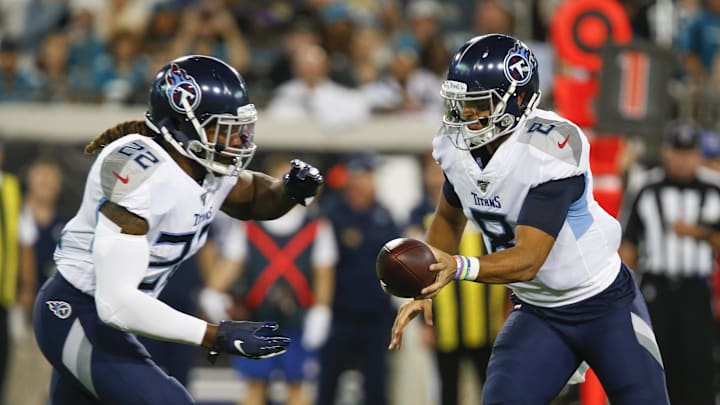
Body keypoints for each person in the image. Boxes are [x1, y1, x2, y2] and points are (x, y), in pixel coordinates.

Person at [387, 34, 670, 404]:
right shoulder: (456, 148)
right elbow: (449, 216)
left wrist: (455, 266)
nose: (464, 115)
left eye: (476, 104)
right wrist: (424, 282)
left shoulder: (551, 146)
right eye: (460, 103)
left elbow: (528, 259)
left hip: (604, 304)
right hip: (539, 311)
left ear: (517, 98)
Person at [32, 55, 324, 405]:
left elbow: (255, 198)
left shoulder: (205, 167)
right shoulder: (139, 170)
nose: (237, 140)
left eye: (240, 129)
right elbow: (116, 304)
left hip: (108, 321)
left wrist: (291, 190)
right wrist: (214, 334)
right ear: (182, 122)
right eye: (223, 129)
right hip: (78, 311)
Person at [207, 154, 337, 405]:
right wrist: (213, 292)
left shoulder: (318, 227)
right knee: (254, 386)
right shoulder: (248, 227)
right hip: (256, 318)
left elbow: (324, 274)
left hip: (298, 320)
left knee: (298, 386)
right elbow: (231, 265)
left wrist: (322, 311)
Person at [619, 121, 718, 405]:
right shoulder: (646, 187)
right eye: (677, 152)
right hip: (655, 289)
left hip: (696, 291)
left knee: (698, 367)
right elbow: (628, 243)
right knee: (655, 363)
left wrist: (700, 233)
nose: (682, 160)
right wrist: (626, 294)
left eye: (688, 153)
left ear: (698, 155)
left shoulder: (714, 189)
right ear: (665, 152)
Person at [317, 154, 400, 405]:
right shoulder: (331, 213)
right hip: (340, 314)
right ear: (354, 178)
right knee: (328, 382)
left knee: (376, 385)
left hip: (376, 315)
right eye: (367, 175)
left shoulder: (384, 214)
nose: (371, 182)